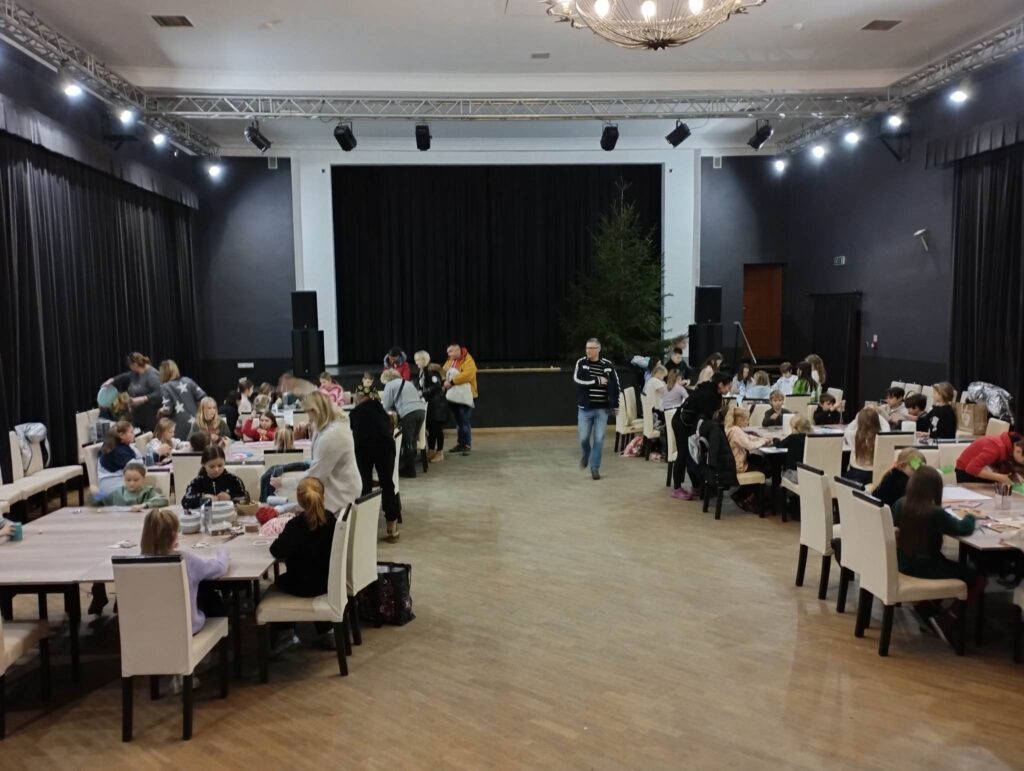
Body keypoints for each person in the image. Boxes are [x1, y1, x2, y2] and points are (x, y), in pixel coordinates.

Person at [891, 466, 983, 647]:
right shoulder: (935, 511)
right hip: (926, 567)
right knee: (977, 578)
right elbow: (963, 528)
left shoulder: (900, 503)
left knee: (950, 566)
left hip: (903, 562)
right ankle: (947, 619)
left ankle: (926, 608)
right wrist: (971, 516)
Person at [271, 390, 362, 516]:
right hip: (339, 489)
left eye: (309, 413)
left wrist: (284, 482)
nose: (308, 418)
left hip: (340, 498)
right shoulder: (334, 423)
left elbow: (314, 477)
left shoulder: (332, 436)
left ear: (316, 411)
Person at [140, 508, 228, 635]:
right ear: (173, 535)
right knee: (212, 599)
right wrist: (223, 552)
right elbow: (219, 568)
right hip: (186, 630)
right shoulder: (185, 560)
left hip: (148, 631)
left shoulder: (134, 564)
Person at [349, 390, 402, 540]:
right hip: (385, 446)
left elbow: (353, 432)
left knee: (364, 484)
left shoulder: (354, 413)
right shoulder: (380, 409)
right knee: (387, 483)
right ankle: (392, 524)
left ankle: (366, 525)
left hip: (363, 447)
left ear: (359, 399)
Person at [671, 372, 732, 499]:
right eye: (728, 386)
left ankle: (696, 486)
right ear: (721, 384)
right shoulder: (709, 394)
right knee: (684, 453)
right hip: (682, 422)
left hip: (690, 423)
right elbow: (707, 416)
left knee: (694, 455)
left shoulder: (714, 393)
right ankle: (677, 488)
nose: (729, 390)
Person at [573, 338, 622, 481]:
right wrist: (597, 380)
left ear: (599, 349)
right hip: (585, 409)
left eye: (592, 348)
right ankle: (586, 453)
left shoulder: (608, 365)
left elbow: (616, 385)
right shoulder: (581, 363)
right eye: (587, 348)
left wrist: (616, 405)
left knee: (599, 439)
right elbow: (577, 380)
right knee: (584, 438)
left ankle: (595, 468)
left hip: (602, 409)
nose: (588, 351)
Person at [381, 368, 427, 478]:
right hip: (421, 411)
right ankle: (410, 466)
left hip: (408, 413)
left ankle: (410, 470)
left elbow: (386, 406)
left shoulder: (390, 385)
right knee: (413, 440)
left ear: (386, 379)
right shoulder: (408, 383)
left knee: (407, 441)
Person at [724, 406, 772, 511]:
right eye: (747, 419)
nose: (748, 422)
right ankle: (744, 495)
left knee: (759, 460)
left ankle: (747, 494)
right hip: (739, 465)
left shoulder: (732, 429)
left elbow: (747, 438)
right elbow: (749, 446)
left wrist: (760, 439)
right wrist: (763, 441)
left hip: (734, 462)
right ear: (740, 420)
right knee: (765, 468)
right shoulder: (736, 431)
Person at [101, 353, 163, 432]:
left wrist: (144, 399)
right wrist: (111, 380)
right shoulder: (135, 374)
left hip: (151, 419)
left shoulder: (152, 375)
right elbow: (124, 376)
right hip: (138, 418)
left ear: (135, 364)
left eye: (130, 365)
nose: (130, 368)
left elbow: (160, 393)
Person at [180, 446, 250, 510]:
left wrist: (230, 497)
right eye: (212, 466)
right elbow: (185, 502)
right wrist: (204, 498)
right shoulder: (197, 482)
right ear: (203, 464)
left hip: (228, 516)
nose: (216, 470)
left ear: (224, 462)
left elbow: (246, 498)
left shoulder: (234, 479)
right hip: (206, 517)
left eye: (220, 465)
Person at [443, 343, 479, 455]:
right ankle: (461, 444)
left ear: (458, 350)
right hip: (454, 396)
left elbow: (468, 375)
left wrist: (452, 382)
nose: (448, 354)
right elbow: (444, 370)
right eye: (448, 352)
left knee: (464, 421)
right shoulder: (450, 360)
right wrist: (444, 380)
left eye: (450, 351)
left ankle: (466, 444)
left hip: (466, 396)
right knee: (459, 422)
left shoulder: (468, 360)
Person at [158, 359, 207, 440]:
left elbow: (168, 409)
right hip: (196, 422)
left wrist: (160, 411)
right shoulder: (188, 380)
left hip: (179, 427)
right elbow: (203, 397)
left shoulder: (165, 387)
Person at [414, 350, 448, 462]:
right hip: (430, 405)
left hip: (437, 406)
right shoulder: (423, 371)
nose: (416, 362)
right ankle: (431, 450)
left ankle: (440, 452)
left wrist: (421, 392)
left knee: (437, 429)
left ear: (424, 360)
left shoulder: (431, 371)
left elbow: (436, 386)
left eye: (418, 360)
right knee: (431, 428)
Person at [955, 431, 1024, 485]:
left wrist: (1015, 475)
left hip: (981, 469)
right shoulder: (996, 449)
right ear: (1018, 451)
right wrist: (1002, 478)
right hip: (965, 473)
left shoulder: (1011, 444)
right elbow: (971, 468)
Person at [96, 420, 144, 497]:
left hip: (115, 483)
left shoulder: (121, 446)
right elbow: (138, 467)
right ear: (121, 435)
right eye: (131, 432)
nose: (134, 434)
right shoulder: (117, 451)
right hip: (113, 488)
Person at [94, 461, 169, 510]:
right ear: (124, 479)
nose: (132, 483)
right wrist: (94, 493)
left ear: (143, 479)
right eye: (128, 480)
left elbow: (163, 500)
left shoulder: (148, 492)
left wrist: (144, 505)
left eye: (136, 480)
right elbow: (100, 502)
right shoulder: (117, 492)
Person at [843, 407, 886, 484]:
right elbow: (886, 425)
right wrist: (875, 413)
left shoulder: (852, 435)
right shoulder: (882, 436)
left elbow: (848, 428)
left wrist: (859, 415)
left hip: (855, 473)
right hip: (875, 475)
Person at [774, 414, 813, 483]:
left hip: (794, 474)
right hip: (810, 474)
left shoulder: (792, 437)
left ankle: (776, 486)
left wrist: (774, 440)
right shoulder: (811, 437)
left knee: (779, 467)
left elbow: (779, 445)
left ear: (795, 428)